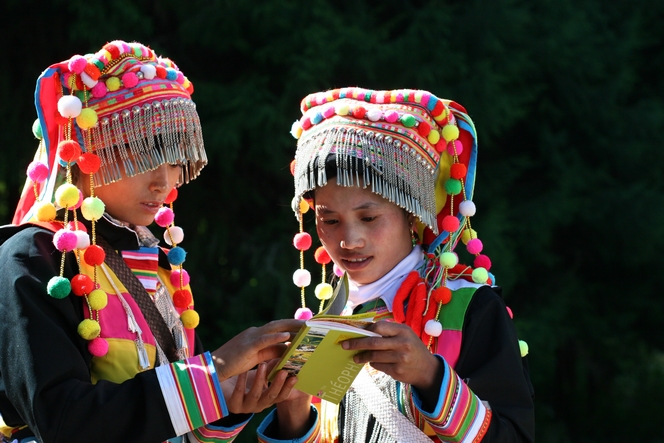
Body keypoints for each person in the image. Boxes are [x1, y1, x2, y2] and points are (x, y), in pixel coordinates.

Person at [0, 40, 303, 443]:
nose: (165, 180)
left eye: (176, 159)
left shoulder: (158, 264)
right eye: (142, 154)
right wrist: (214, 369)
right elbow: (64, 423)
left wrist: (229, 397)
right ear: (87, 149)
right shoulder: (31, 259)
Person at [257, 88, 535, 442]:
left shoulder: (469, 309)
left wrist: (430, 375)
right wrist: (293, 411)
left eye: (369, 217)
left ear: (410, 214)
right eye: (329, 220)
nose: (349, 240)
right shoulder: (325, 320)